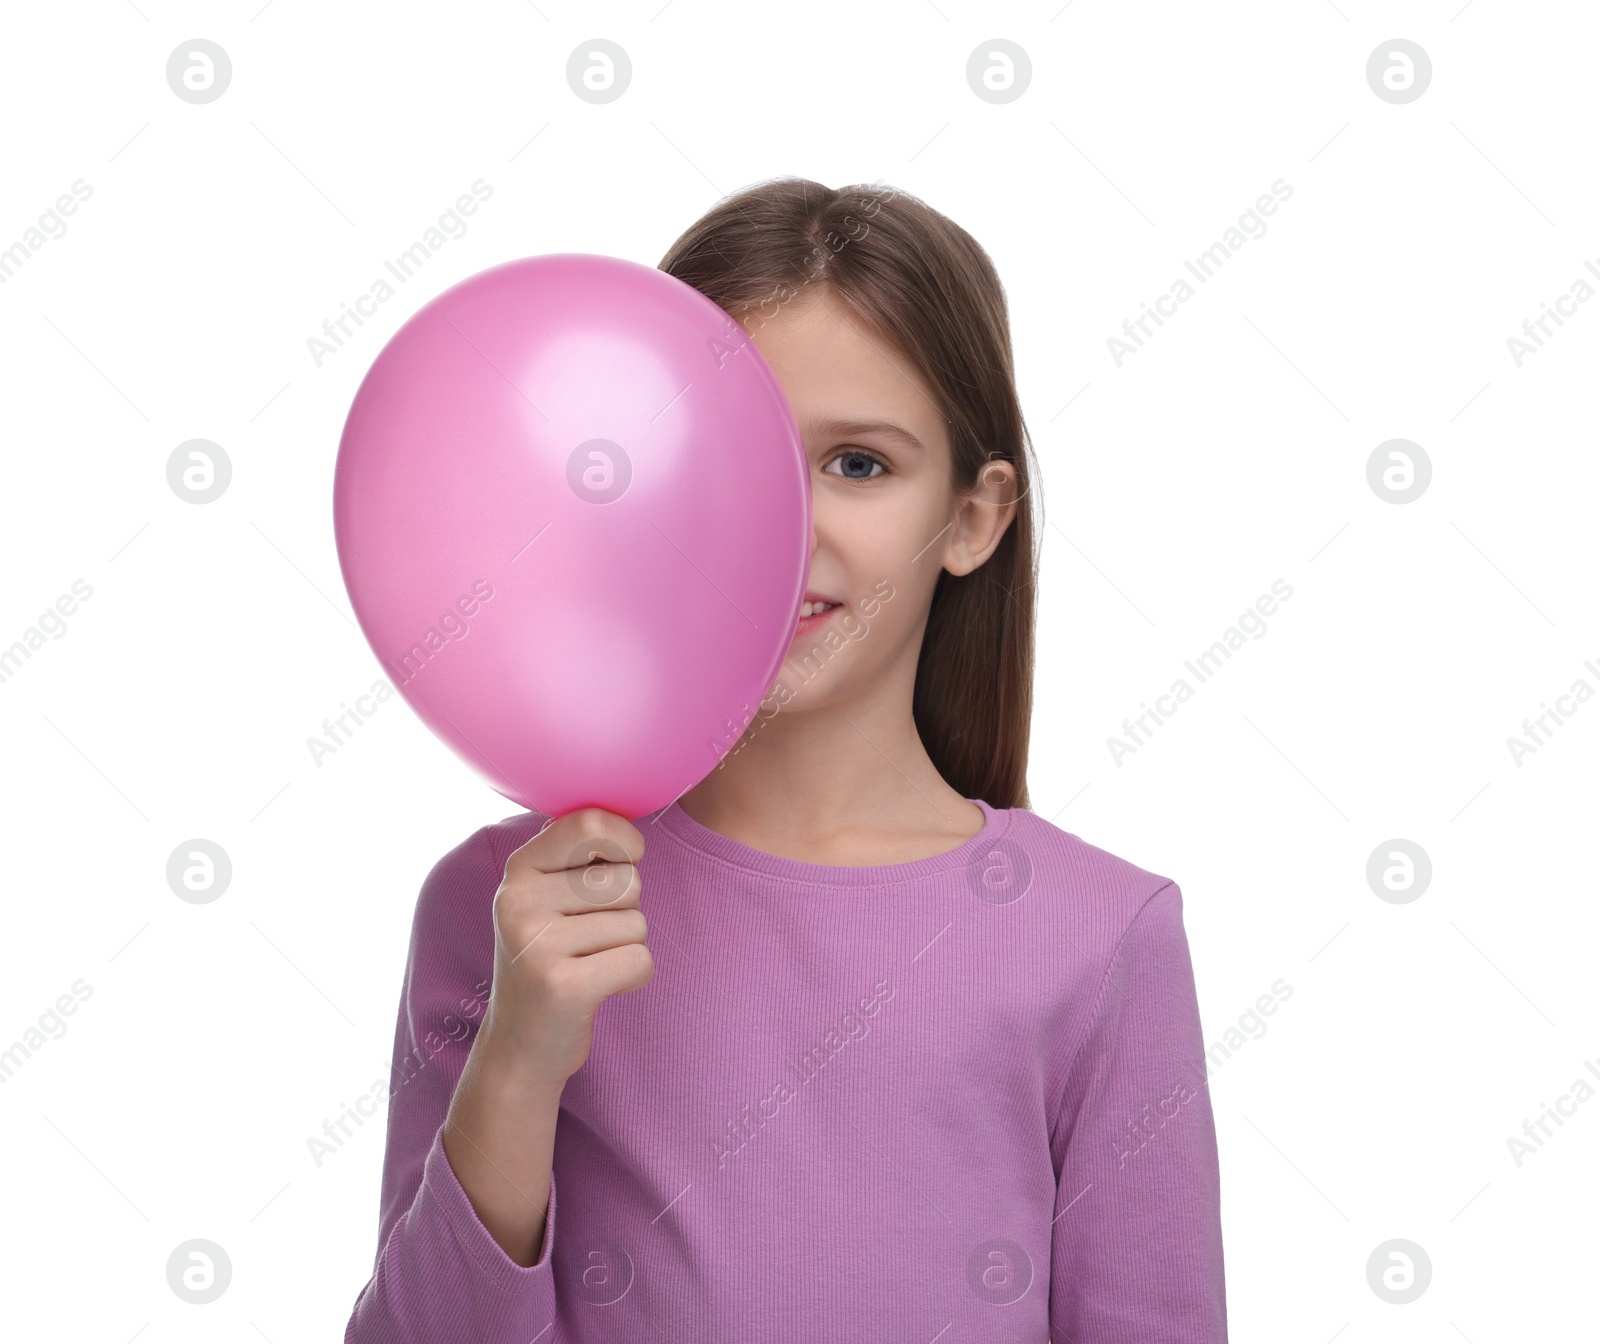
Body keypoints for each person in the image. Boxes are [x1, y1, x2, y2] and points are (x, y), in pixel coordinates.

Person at [344, 177, 1228, 1342]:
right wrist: (515, 1066)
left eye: (858, 464)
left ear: (973, 516)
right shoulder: (513, 912)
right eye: (729, 450)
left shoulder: (1099, 937)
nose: (784, 525)